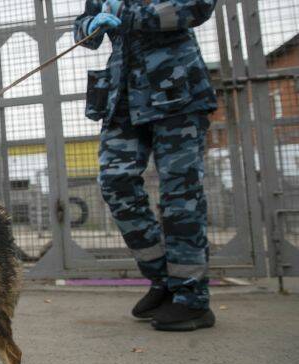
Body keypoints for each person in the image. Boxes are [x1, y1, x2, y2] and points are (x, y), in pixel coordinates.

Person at [74, 0, 218, 331]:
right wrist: (92, 24)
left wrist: (125, 13)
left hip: (177, 94)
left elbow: (196, 7)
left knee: (180, 196)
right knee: (115, 182)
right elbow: (81, 31)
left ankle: (192, 299)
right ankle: (164, 280)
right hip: (122, 97)